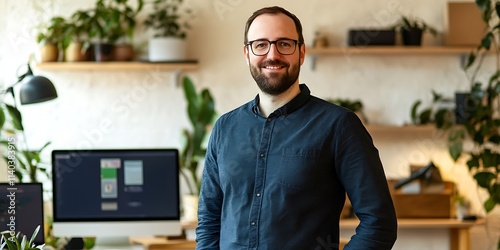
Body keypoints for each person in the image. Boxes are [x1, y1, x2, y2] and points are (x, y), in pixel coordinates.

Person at [196, 6, 397, 250]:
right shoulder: (224, 128)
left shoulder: (339, 126)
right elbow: (209, 222)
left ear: (301, 52)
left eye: (284, 44)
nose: (272, 54)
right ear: (247, 53)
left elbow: (378, 223)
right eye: (260, 45)